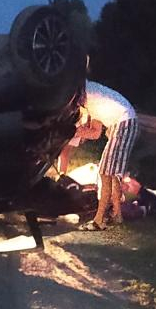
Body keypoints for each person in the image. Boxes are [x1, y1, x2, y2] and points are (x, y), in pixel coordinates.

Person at [58, 79, 138, 229]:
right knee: (106, 170)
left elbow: (70, 107)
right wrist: (71, 130)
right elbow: (95, 133)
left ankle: (111, 214)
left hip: (124, 122)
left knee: (110, 171)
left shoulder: (83, 91)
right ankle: (105, 214)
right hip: (119, 123)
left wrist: (68, 129)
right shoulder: (93, 101)